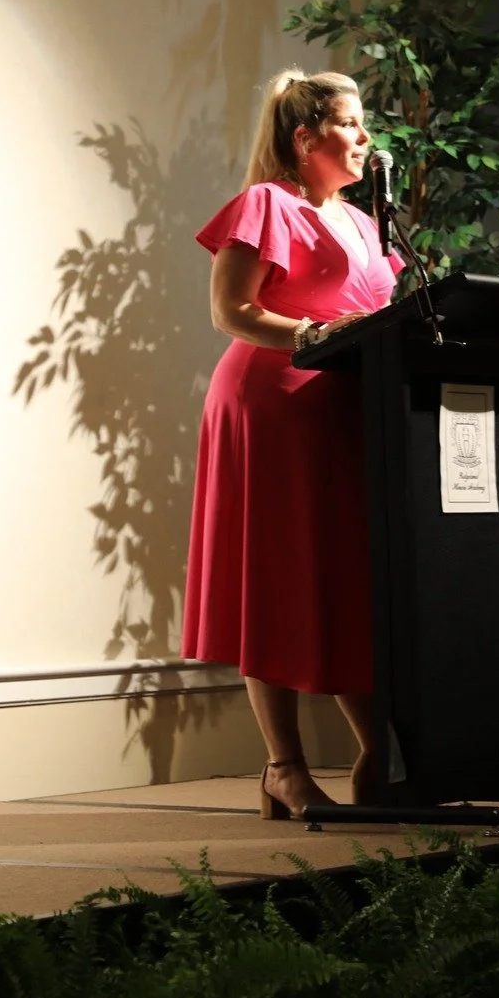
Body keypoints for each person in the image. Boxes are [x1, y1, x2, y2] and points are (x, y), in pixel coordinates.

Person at [182, 69, 400, 819]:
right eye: (353, 123)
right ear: (306, 139)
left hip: (343, 413)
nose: (367, 137)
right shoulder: (266, 204)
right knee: (272, 581)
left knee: (344, 579)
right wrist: (314, 332)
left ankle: (380, 752)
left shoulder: (367, 223)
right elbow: (230, 310)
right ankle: (285, 767)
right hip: (271, 406)